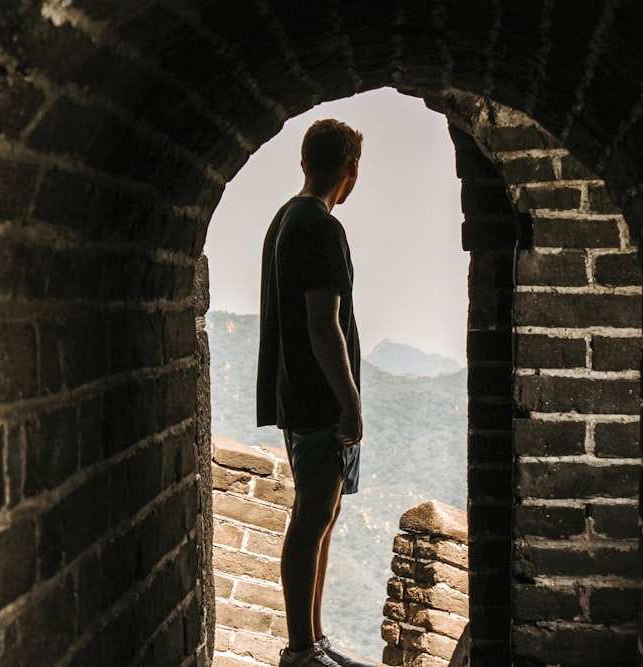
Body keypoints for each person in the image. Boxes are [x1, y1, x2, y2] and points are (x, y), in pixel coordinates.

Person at [257, 119, 375, 667]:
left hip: (294, 393)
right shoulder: (322, 228)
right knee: (311, 518)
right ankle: (301, 652)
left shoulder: (285, 218)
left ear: (305, 162)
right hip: (318, 399)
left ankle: (315, 640)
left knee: (320, 516)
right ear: (350, 171)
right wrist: (350, 403)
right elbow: (323, 324)